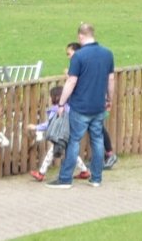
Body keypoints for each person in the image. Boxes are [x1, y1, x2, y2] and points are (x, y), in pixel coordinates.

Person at [50, 22, 114, 188]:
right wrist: (109, 99)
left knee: (74, 141)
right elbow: (111, 79)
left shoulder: (78, 56)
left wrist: (61, 103)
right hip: (98, 106)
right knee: (97, 140)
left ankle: (65, 179)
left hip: (80, 107)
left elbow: (71, 81)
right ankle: (96, 178)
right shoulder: (107, 54)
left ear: (80, 36)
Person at [30, 84, 87, 182]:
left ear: (55, 97)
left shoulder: (56, 110)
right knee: (71, 152)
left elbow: (49, 124)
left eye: (51, 96)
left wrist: (36, 127)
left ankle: (41, 174)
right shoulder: (70, 107)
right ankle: (84, 171)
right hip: (70, 133)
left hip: (60, 136)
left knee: (51, 153)